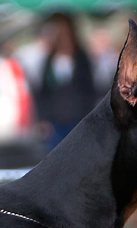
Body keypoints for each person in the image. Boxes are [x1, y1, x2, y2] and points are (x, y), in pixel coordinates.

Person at [33, 13, 96, 150]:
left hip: (78, 118)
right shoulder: (50, 59)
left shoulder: (81, 57)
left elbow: (89, 88)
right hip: (56, 120)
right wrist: (43, 118)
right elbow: (43, 91)